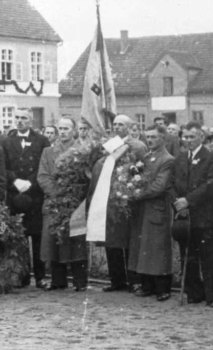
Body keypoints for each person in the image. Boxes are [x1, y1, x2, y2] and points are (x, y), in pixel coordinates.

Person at [88, 115, 147, 293]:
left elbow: (144, 169)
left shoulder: (137, 145)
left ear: (130, 127)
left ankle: (134, 280)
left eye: (121, 124)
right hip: (109, 198)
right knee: (112, 241)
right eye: (115, 124)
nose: (117, 127)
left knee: (129, 241)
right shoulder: (110, 144)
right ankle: (116, 280)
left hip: (127, 199)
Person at [170, 121, 213, 308]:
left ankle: (212, 296)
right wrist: (178, 203)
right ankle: (194, 293)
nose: (188, 140)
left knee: (208, 257)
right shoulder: (180, 158)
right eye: (185, 137)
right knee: (188, 256)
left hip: (206, 215)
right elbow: (171, 184)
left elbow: (212, 184)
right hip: (185, 215)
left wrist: (189, 200)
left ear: (201, 136)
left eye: (192, 136)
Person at [1, 108, 51, 289]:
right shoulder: (5, 141)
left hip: (34, 193)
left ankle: (40, 277)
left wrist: (29, 182)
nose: (19, 121)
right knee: (18, 237)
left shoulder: (42, 140)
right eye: (17, 117)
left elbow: (44, 165)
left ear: (31, 121)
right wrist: (14, 181)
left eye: (24, 118)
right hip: (15, 194)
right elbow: (2, 166)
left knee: (37, 236)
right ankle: (21, 277)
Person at [37, 117, 88, 291]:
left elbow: (86, 177)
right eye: (61, 128)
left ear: (74, 130)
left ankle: (80, 282)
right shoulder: (48, 152)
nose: (63, 132)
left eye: (67, 128)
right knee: (54, 242)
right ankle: (58, 280)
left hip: (75, 203)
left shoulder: (82, 151)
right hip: (54, 202)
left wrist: (72, 193)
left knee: (76, 241)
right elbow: (43, 176)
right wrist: (57, 193)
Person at [128, 125, 175, 302]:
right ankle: (147, 285)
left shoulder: (167, 159)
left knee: (158, 248)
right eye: (147, 137)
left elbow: (159, 186)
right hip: (143, 209)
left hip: (156, 208)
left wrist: (137, 194)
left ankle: (163, 287)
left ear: (163, 138)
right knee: (144, 248)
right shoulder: (146, 157)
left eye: (154, 137)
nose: (149, 140)